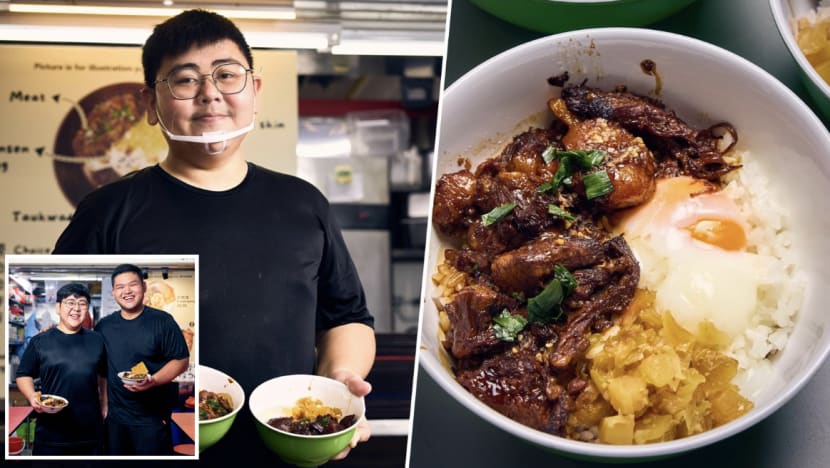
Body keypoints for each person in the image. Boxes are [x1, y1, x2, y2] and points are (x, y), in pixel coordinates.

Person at [53, 8, 376, 464]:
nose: (210, 95)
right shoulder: (106, 212)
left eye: (227, 75)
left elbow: (346, 317)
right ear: (150, 104)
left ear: (254, 90)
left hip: (285, 451)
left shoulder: (304, 204)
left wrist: (339, 379)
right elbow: (62, 324)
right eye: (185, 81)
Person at [95, 263, 190, 455]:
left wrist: (153, 381)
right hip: (116, 419)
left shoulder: (163, 321)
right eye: (120, 287)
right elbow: (102, 369)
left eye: (133, 285)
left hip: (152, 419)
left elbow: (181, 360)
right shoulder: (104, 326)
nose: (127, 291)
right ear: (114, 292)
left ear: (144, 287)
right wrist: (104, 403)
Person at [15, 283, 106, 456]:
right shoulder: (40, 341)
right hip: (51, 432)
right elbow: (23, 374)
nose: (76, 308)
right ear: (58, 307)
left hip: (90, 432)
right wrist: (32, 395)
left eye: (82, 304)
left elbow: (103, 374)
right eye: (70, 302)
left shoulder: (97, 340)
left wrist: (104, 404)